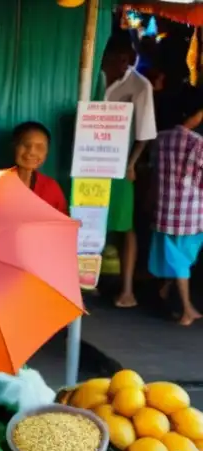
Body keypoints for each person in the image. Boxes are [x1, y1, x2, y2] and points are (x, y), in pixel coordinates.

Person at [102, 34, 158, 309]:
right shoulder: (93, 76)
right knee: (87, 217)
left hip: (120, 163)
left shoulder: (139, 85)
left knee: (125, 224)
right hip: (88, 159)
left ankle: (127, 290)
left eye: (125, 60)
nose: (119, 65)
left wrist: (131, 164)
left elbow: (145, 133)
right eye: (114, 59)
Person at [148, 85, 203, 326]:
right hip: (190, 213)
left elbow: (153, 171)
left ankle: (166, 291)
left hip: (164, 210)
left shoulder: (160, 138)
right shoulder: (197, 142)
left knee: (173, 254)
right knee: (183, 259)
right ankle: (187, 310)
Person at [10, 121, 68, 213]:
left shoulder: (51, 187)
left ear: (47, 152)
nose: (32, 152)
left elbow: (62, 223)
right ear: (14, 146)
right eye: (26, 145)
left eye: (40, 147)